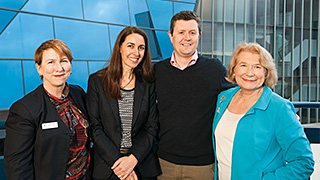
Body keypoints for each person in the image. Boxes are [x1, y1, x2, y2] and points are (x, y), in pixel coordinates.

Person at [212, 42, 314, 179]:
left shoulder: (280, 108)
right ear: (234, 69)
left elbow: (304, 162)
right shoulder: (224, 98)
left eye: (257, 67)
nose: (249, 73)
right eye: (243, 65)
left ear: (266, 72)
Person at [154, 10, 234, 179]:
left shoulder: (214, 69)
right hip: (164, 163)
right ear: (171, 35)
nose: (187, 38)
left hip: (203, 166)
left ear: (199, 35)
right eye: (181, 32)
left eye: (192, 32)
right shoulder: (157, 71)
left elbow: (243, 94)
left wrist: (278, 110)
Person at [4, 39, 91, 180]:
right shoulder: (25, 109)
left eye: (64, 61)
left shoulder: (78, 94)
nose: (59, 68)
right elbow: (17, 165)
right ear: (39, 68)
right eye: (51, 62)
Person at [86, 26, 161, 180]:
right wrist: (121, 165)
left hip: (141, 165)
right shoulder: (97, 81)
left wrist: (132, 160)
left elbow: (151, 127)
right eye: (130, 46)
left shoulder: (147, 83)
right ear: (120, 48)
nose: (136, 53)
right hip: (108, 167)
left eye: (141, 48)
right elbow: (95, 127)